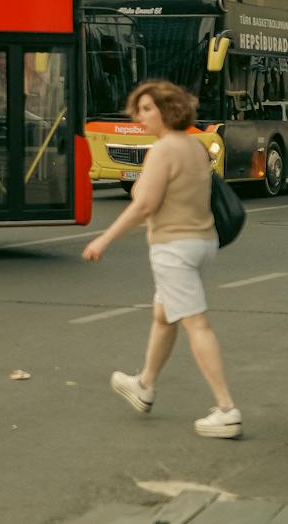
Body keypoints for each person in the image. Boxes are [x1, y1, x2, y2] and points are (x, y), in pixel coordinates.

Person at [82, 78, 242, 440]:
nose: (139, 117)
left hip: (174, 247)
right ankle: (145, 384)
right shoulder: (195, 147)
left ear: (168, 111)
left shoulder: (163, 150)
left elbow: (144, 205)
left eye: (146, 109)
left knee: (196, 324)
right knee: (164, 314)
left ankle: (226, 409)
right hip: (202, 242)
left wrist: (104, 239)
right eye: (138, 110)